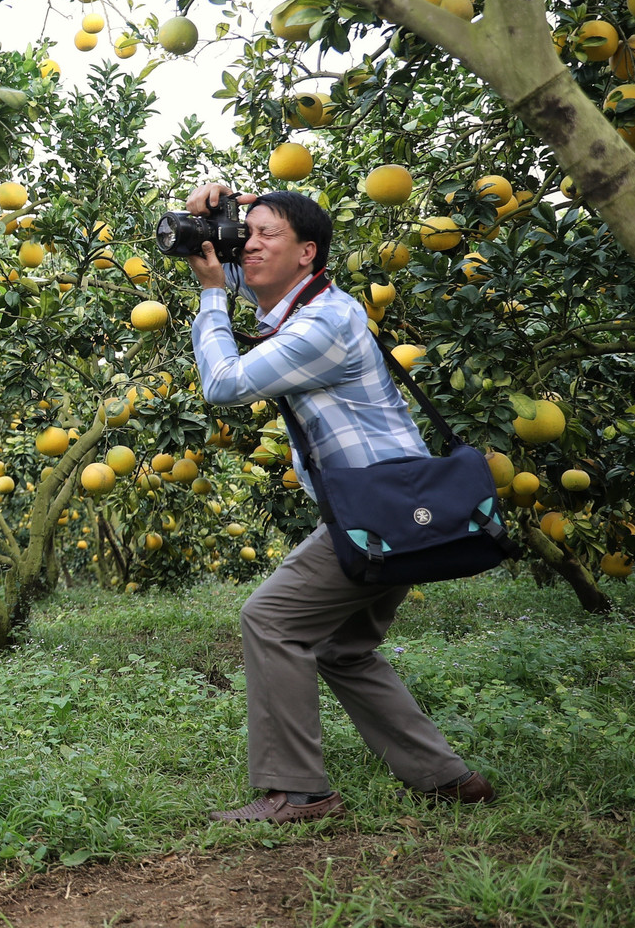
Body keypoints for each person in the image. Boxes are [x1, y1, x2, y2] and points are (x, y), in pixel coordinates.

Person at [181, 183, 494, 824]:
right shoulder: (307, 304)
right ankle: (445, 778)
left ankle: (300, 792)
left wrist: (212, 294)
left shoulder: (324, 323)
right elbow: (248, 277)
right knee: (342, 648)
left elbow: (224, 383)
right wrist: (217, 222)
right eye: (250, 233)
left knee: (270, 620)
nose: (251, 246)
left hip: (376, 513)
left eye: (267, 234)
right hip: (391, 511)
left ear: (308, 253)